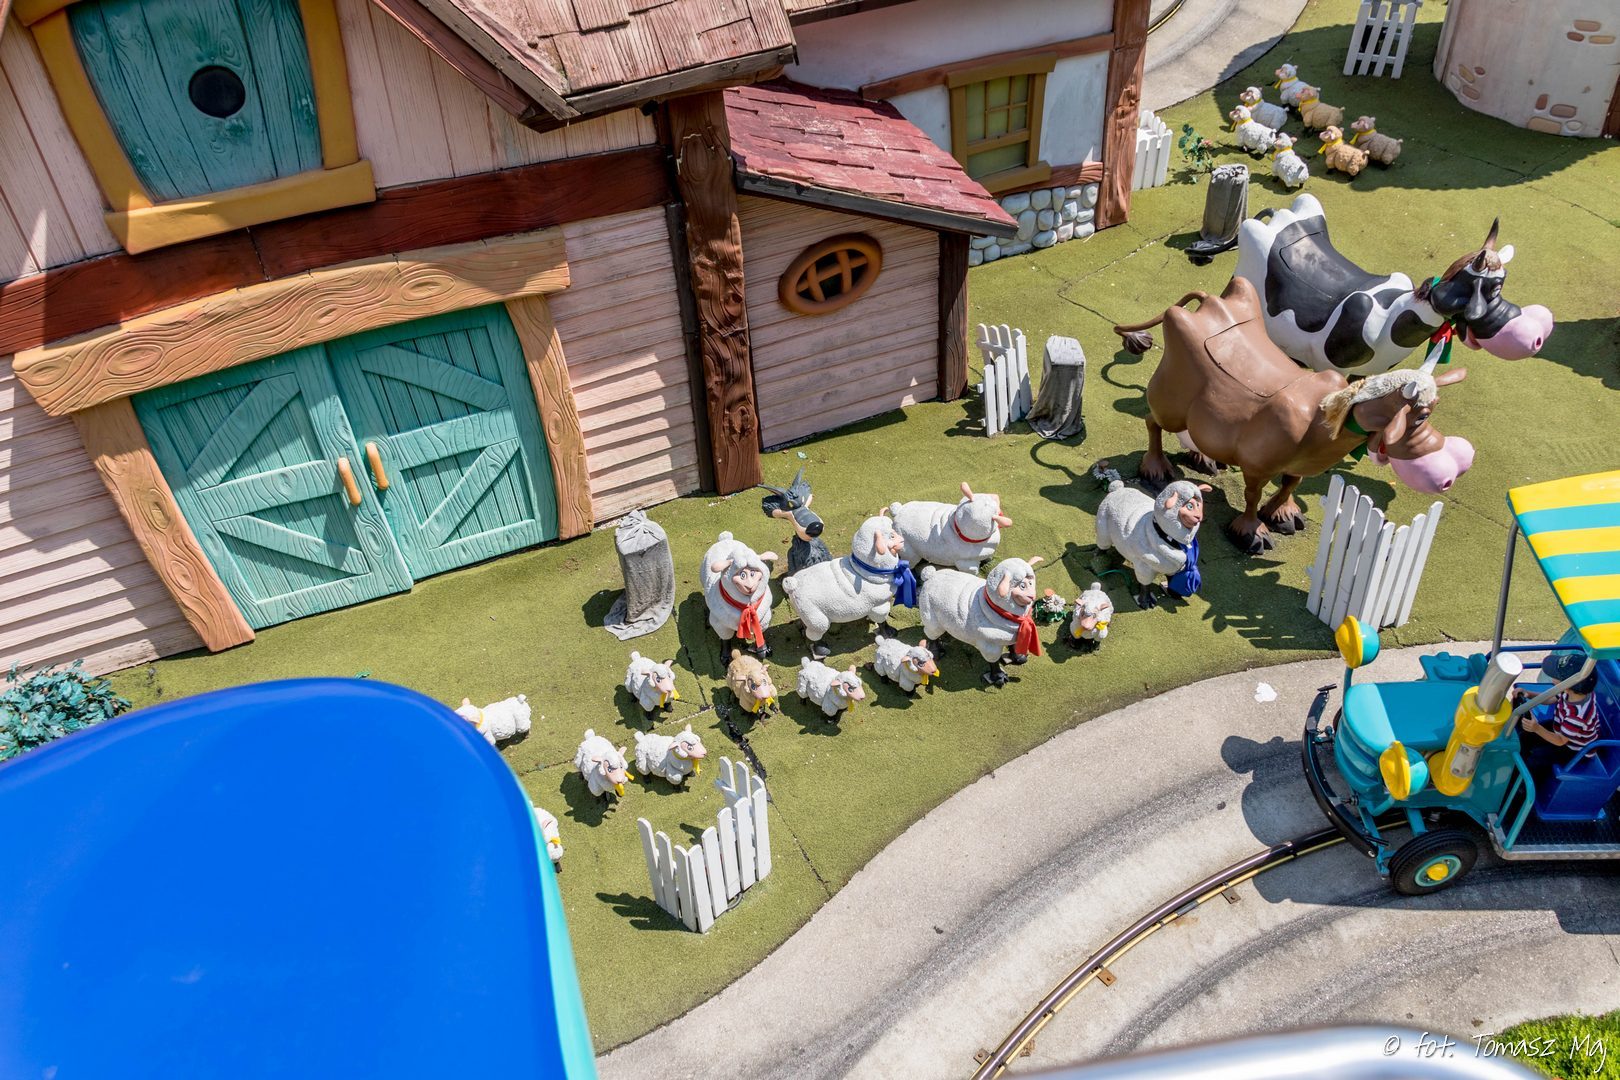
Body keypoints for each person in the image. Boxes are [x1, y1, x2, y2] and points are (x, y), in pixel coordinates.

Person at [1513, 649, 1601, 771]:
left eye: (1555, 676)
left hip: (1574, 748)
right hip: (1561, 727)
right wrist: (1528, 693)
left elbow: (1560, 741)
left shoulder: (1576, 716)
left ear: (1568, 685)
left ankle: (1526, 781)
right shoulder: (1573, 692)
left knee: (1536, 760)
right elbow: (1550, 699)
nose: (1551, 677)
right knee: (1525, 737)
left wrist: (1537, 728)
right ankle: (1515, 763)